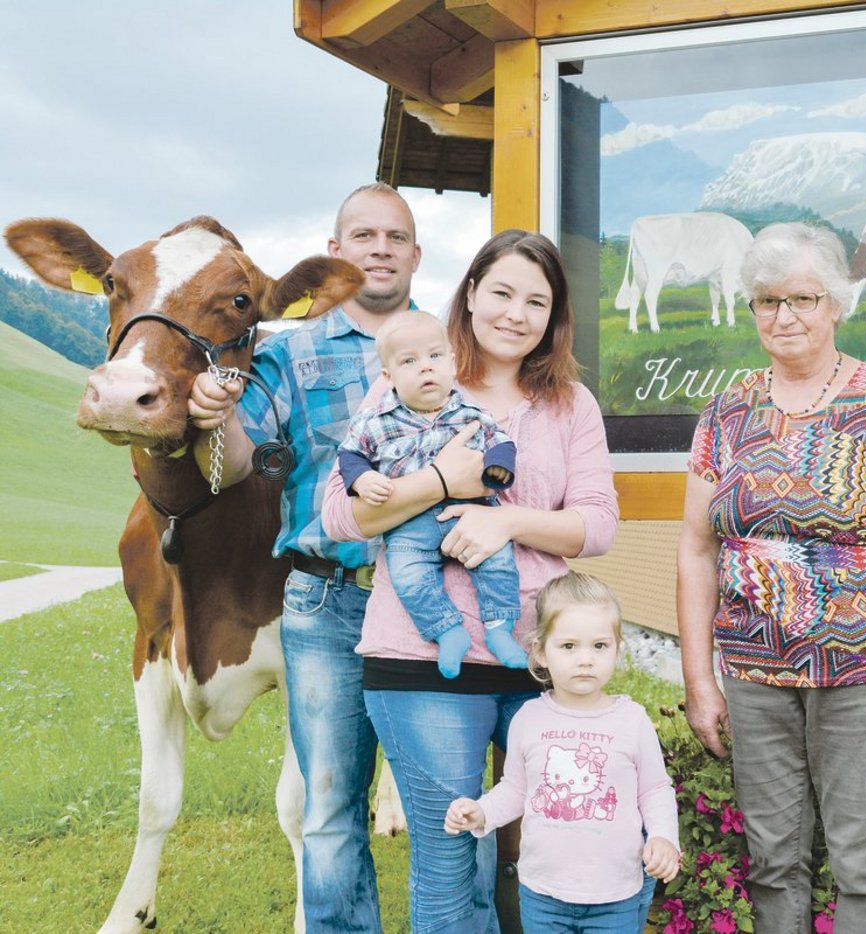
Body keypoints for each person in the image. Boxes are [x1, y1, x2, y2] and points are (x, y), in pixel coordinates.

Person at [321, 229, 619, 933]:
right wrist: (438, 483)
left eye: (537, 302)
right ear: (473, 294)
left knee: (563, 844)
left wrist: (507, 524)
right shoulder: (403, 382)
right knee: (455, 854)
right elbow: (339, 515)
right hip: (423, 660)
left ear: (555, 317)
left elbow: (597, 525)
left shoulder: (570, 405)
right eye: (503, 293)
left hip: (538, 658)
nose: (516, 314)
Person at [675, 221, 866, 933]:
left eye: (802, 298)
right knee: (773, 860)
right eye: (766, 301)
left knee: (863, 863)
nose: (784, 317)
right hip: (753, 672)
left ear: (836, 303)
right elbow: (695, 548)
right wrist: (699, 680)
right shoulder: (727, 410)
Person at [188, 181, 430, 932]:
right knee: (330, 806)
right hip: (329, 601)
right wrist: (211, 414)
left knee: (445, 801)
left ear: (417, 254)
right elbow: (234, 455)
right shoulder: (290, 353)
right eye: (364, 236)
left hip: (432, 598)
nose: (380, 248)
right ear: (335, 253)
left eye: (395, 237)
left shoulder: (446, 344)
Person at [444, 570, 681, 933]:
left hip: (615, 894)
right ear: (540, 652)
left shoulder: (631, 720)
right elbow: (515, 790)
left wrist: (664, 836)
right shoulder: (530, 718)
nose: (585, 659)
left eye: (599, 646)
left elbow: (654, 789)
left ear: (617, 649)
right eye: (568, 646)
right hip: (544, 893)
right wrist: (481, 813)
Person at [338, 309, 528, 674]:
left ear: (452, 363)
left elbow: (501, 442)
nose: (425, 367)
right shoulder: (375, 420)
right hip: (409, 521)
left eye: (435, 356)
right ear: (388, 375)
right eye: (409, 361)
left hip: (471, 513)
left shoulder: (470, 411)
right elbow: (350, 455)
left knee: (499, 563)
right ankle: (447, 631)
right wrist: (362, 479)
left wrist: (497, 468)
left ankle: (500, 628)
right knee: (408, 575)